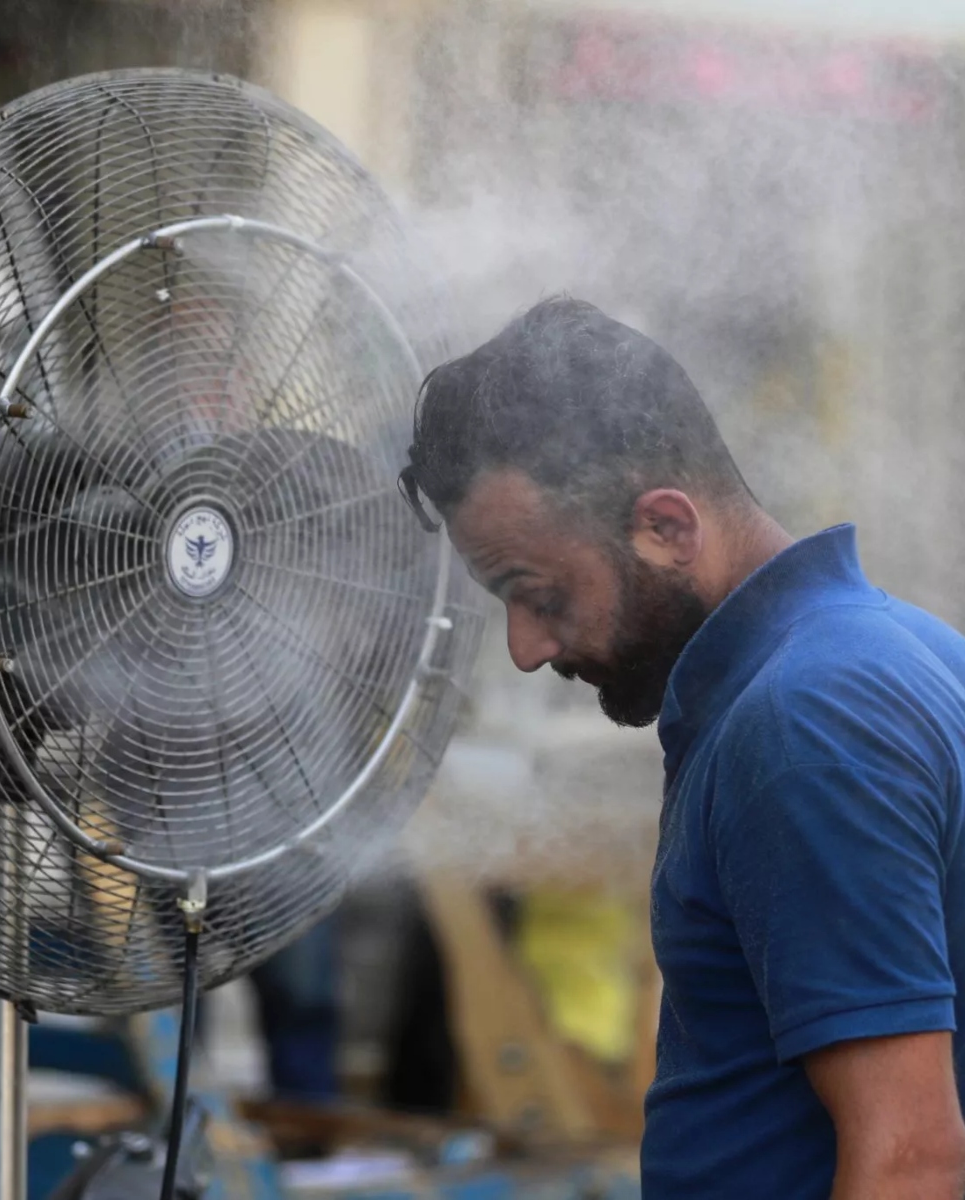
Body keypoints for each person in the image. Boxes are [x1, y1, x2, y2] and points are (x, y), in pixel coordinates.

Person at [397, 295, 965, 1200]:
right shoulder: (909, 651)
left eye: (537, 593)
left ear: (666, 528)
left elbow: (911, 1161)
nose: (525, 647)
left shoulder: (801, 726)